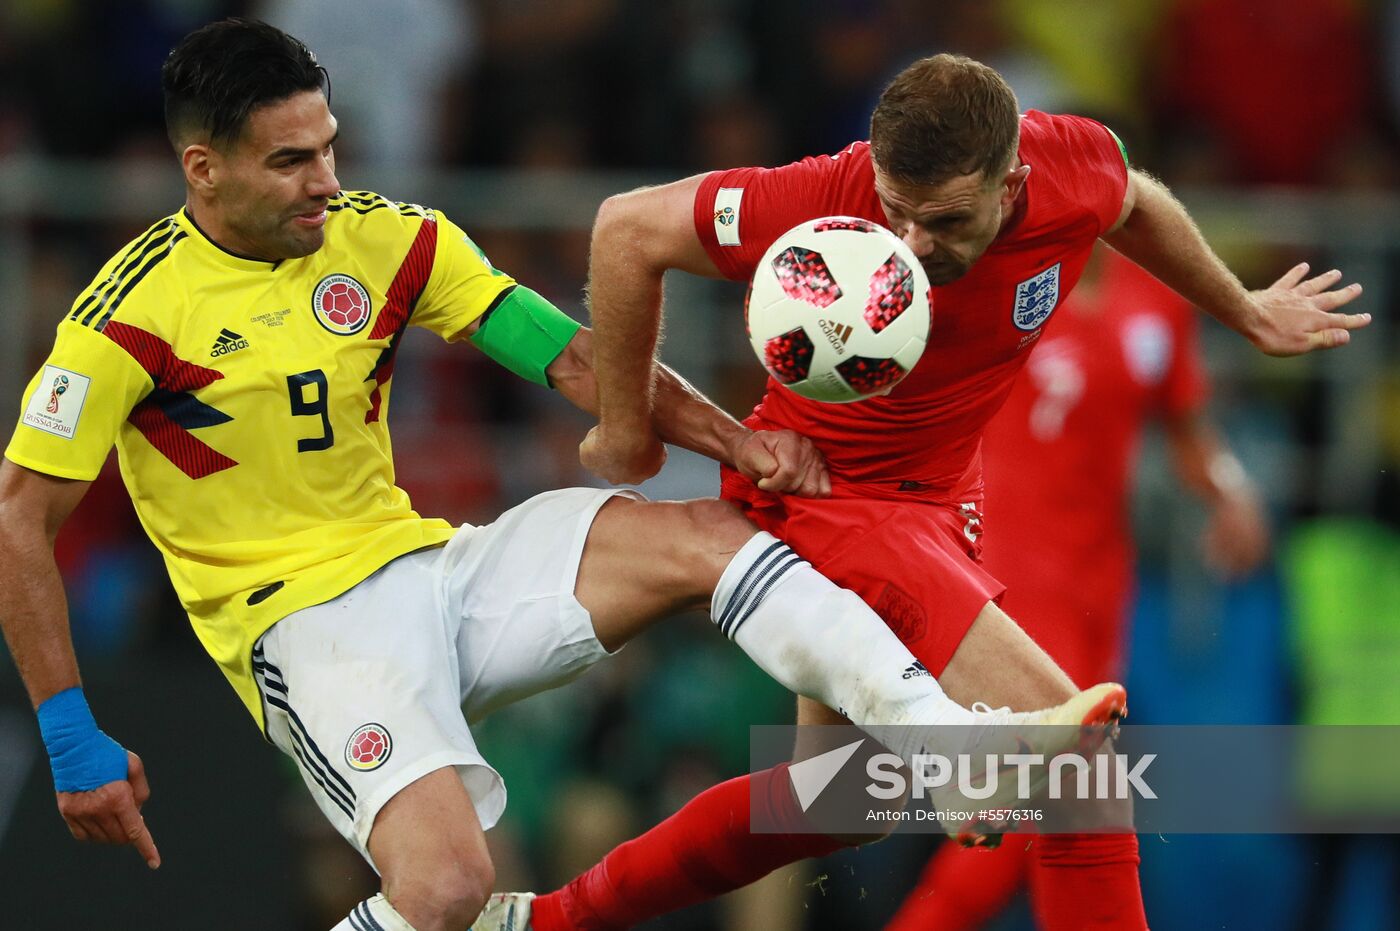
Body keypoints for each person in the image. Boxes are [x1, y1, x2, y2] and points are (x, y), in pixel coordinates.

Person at [0, 25, 1122, 931]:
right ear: (204, 168)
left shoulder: (386, 239)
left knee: (719, 537)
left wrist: (736, 443)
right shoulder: (126, 318)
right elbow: (19, 519)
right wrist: (66, 728)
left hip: (429, 566)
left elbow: (577, 356)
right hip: (302, 628)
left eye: (330, 146)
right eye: (292, 161)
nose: (327, 181)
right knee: (443, 893)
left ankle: (940, 736)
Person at [501, 54, 1368, 931]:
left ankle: (546, 921)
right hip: (829, 498)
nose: (911, 247)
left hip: (937, 501)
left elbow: (1135, 200)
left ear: (1013, 179)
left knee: (837, 801)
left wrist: (1244, 309)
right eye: (896, 210)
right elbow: (624, 231)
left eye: (946, 220)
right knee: (1078, 765)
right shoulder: (819, 196)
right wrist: (623, 429)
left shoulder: (1076, 166)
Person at [884, 244, 1271, 931]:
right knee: (1061, 792)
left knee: (1052, 809)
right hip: (1009, 579)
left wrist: (1231, 491)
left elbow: (1186, 424)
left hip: (1101, 588)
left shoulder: (1157, 299)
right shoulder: (1001, 284)